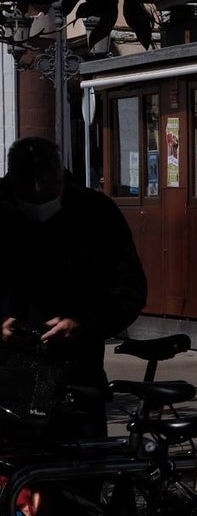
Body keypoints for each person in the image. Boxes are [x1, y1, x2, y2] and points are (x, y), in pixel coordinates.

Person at [0, 135, 147, 439]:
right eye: (29, 193)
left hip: (77, 376)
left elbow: (130, 288)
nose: (40, 199)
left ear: (60, 179)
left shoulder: (96, 212)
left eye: (48, 191)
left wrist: (84, 324)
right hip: (6, 379)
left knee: (80, 475)